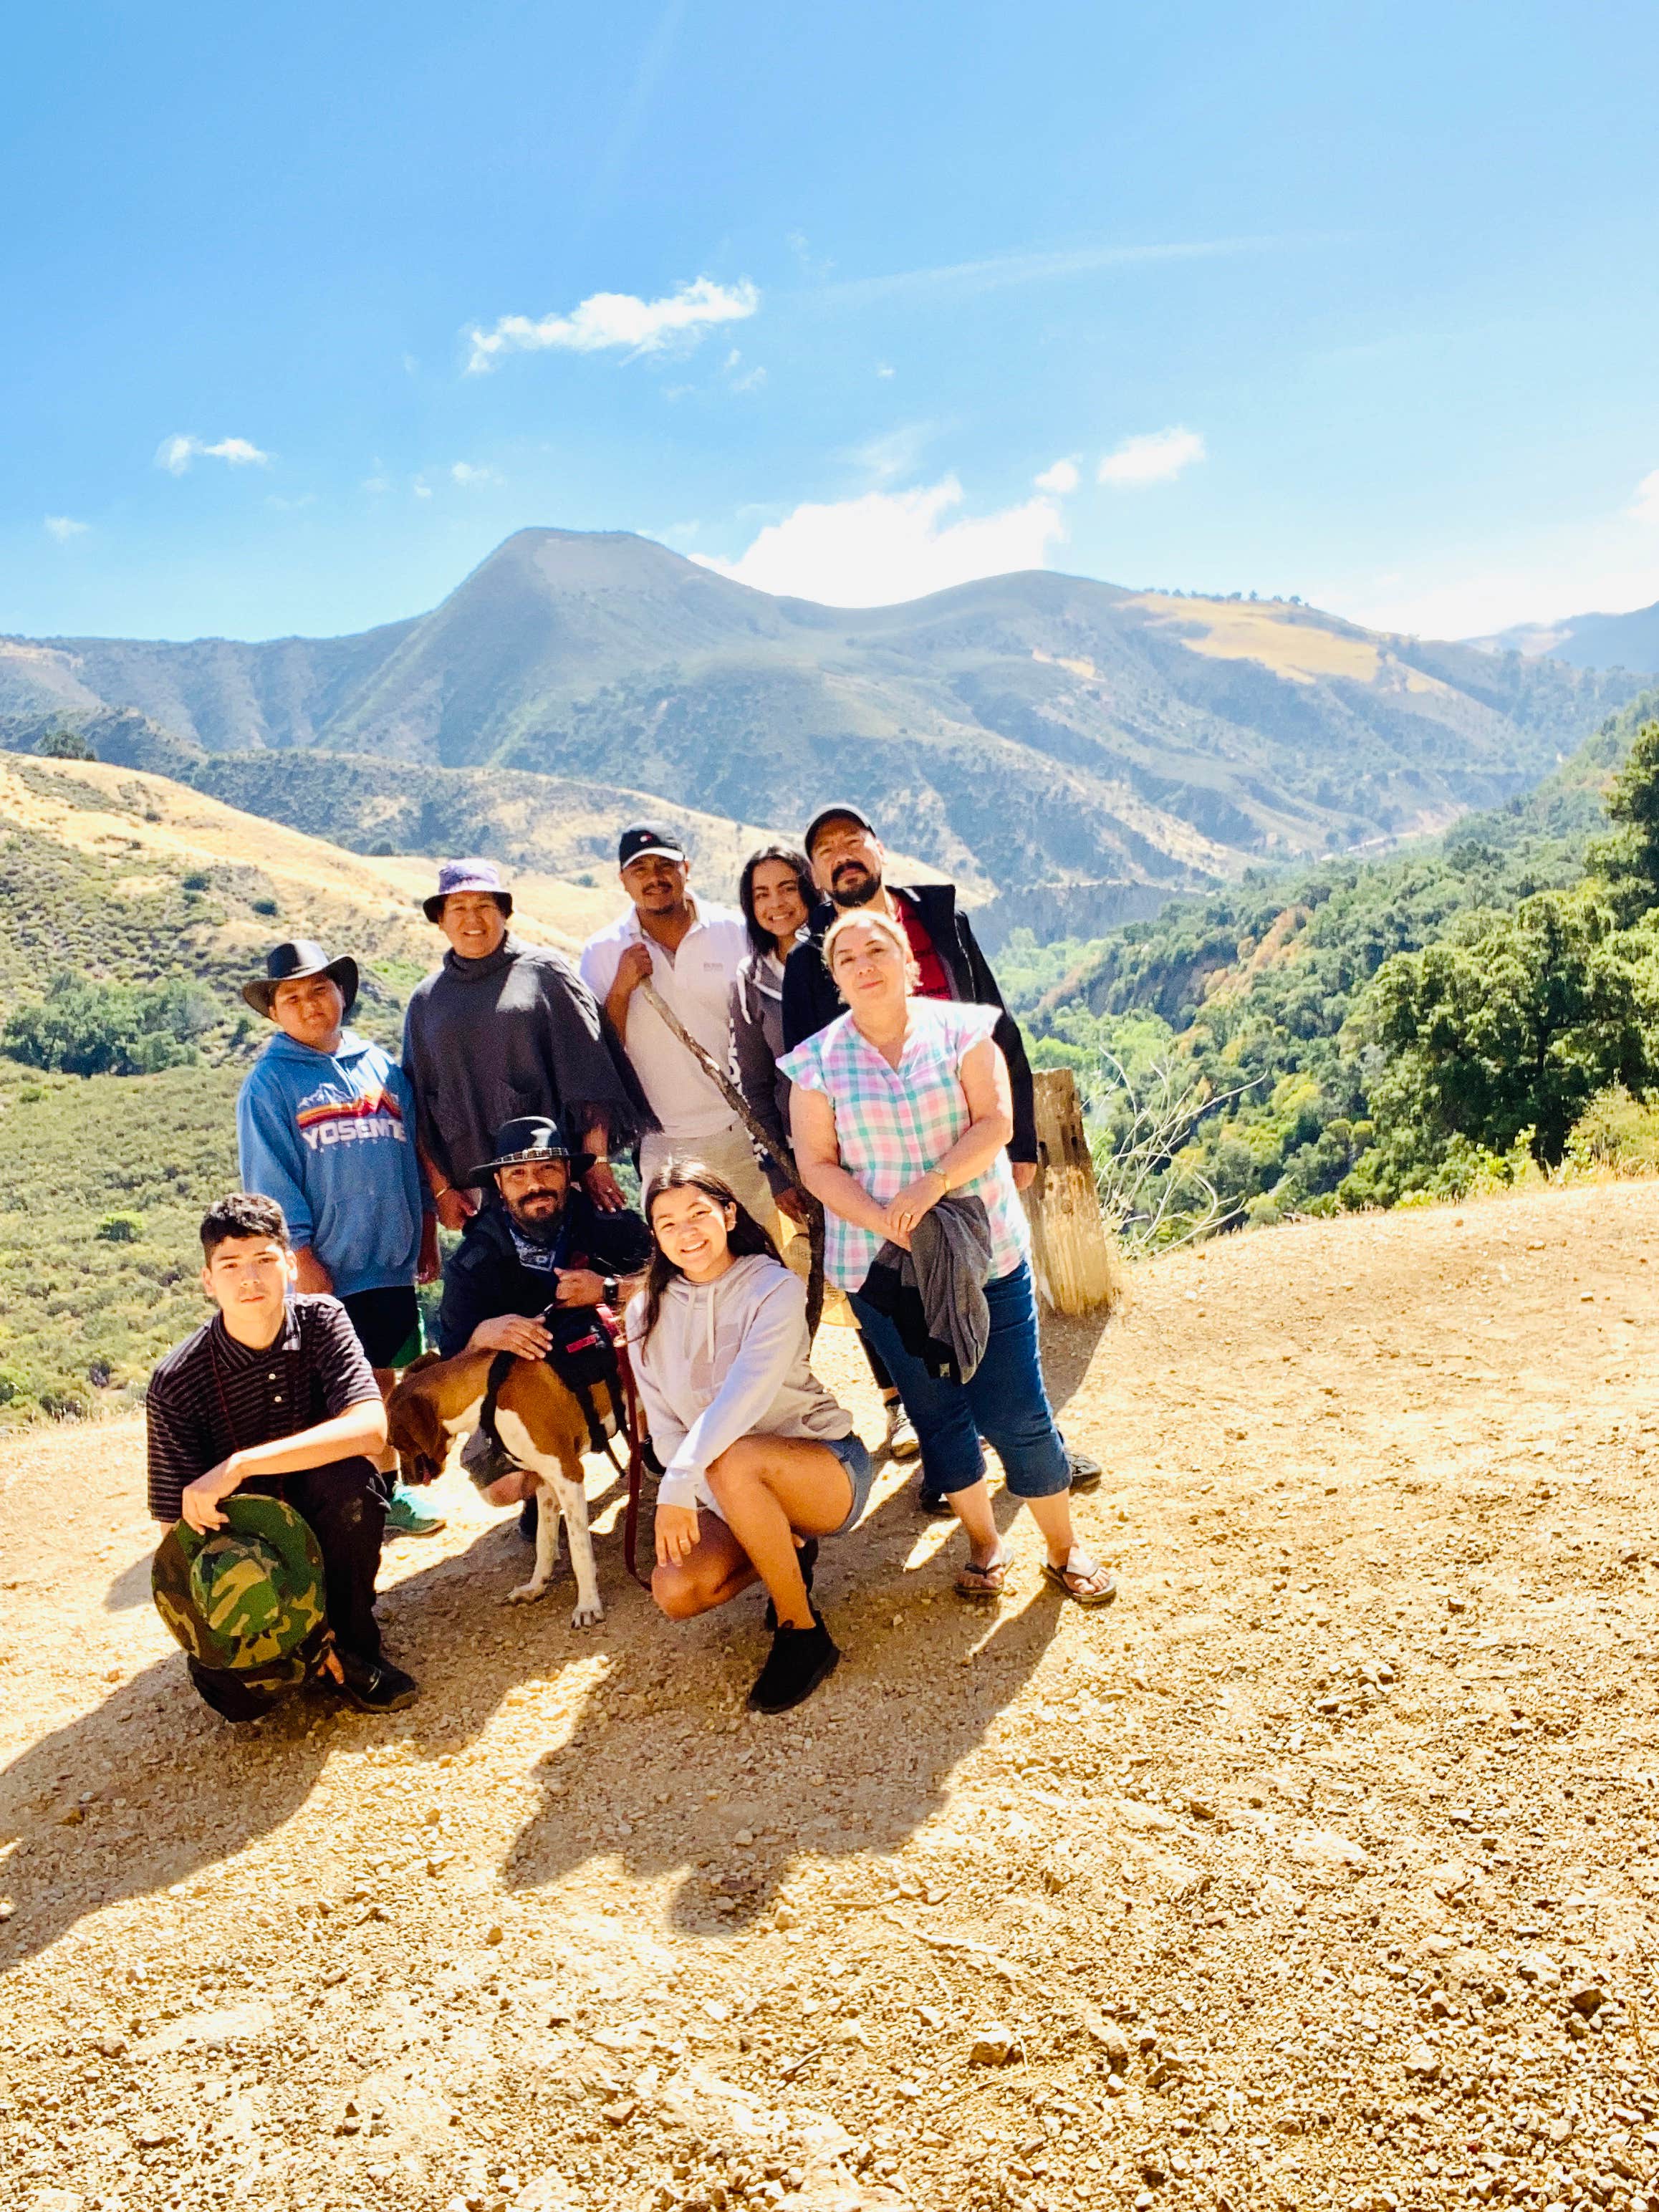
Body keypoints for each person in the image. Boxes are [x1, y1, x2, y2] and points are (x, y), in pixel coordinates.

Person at [782, 910, 1115, 1608]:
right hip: (882, 1271)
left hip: (983, 1252)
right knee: (937, 1414)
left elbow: (995, 1120)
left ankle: (1063, 1547)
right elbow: (815, 1164)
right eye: (847, 957)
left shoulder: (965, 1030)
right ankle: (986, 1542)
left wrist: (931, 1185)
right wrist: (884, 1220)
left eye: (879, 948)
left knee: (1018, 1411)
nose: (864, 962)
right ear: (836, 978)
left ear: (908, 960)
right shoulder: (816, 1061)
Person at [145, 1193, 418, 1718]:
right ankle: (315, 1652)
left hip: (322, 1516)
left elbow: (369, 1427)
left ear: (290, 1265)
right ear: (208, 1280)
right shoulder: (176, 1381)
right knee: (240, 1702)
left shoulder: (323, 1321)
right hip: (246, 1551)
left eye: (264, 1260)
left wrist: (240, 1465)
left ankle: (355, 1645)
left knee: (350, 1481)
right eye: (230, 1265)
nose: (249, 1279)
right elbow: (175, 1538)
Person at [630, 1164, 872, 1714]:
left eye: (699, 1214)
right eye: (667, 1224)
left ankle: (801, 1631)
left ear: (729, 1214)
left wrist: (679, 1485)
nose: (686, 1233)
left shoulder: (774, 1288)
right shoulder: (644, 1311)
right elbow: (666, 1429)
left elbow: (742, 1401)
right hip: (728, 1485)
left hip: (826, 1468)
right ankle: (782, 1545)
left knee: (731, 1454)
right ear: (655, 1236)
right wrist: (705, 1492)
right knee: (677, 1590)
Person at [236, 938, 444, 1540]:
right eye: (291, 996)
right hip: (326, 1264)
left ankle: (389, 1496)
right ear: (274, 1011)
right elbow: (271, 1181)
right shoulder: (269, 1085)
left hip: (389, 1260)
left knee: (383, 1380)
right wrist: (301, 1258)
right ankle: (343, 1505)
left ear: (341, 995)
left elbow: (411, 1159)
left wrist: (424, 1231)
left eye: (319, 989)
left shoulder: (381, 1069)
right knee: (335, 1394)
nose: (309, 1005)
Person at [731, 844, 920, 1466]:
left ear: (810, 888)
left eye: (787, 887)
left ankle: (944, 1397)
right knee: (862, 1275)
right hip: (811, 1156)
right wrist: (774, 1167)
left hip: (877, 1134)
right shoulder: (749, 981)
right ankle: (898, 1403)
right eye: (761, 894)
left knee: (913, 1258)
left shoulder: (838, 952)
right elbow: (756, 1083)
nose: (776, 903)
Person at [435, 1114, 654, 1529]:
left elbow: (678, 1280)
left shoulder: (608, 1224)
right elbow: (451, 1360)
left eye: (546, 1169)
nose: (534, 1185)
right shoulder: (475, 1260)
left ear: (567, 1173)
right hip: (539, 1403)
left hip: (620, 1379)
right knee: (501, 1488)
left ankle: (657, 1439)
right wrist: (484, 1334)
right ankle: (544, 1479)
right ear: (499, 1185)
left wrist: (607, 1290)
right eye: (518, 1174)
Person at [402, 858, 645, 1231]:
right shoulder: (426, 1000)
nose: (473, 919)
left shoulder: (546, 973)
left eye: (484, 906)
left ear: (504, 912)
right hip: (478, 1192)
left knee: (575, 1282)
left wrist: (595, 1161)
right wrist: (441, 1191)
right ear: (441, 919)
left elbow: (592, 1072)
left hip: (557, 1180)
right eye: (459, 908)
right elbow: (419, 1105)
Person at [579, 824, 776, 1234]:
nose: (654, 878)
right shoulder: (601, 951)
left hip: (745, 1131)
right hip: (664, 1140)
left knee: (773, 1254)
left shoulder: (736, 933)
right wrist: (621, 989)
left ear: (686, 868)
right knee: (684, 1260)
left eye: (665, 865)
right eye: (640, 870)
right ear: (623, 881)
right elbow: (597, 1058)